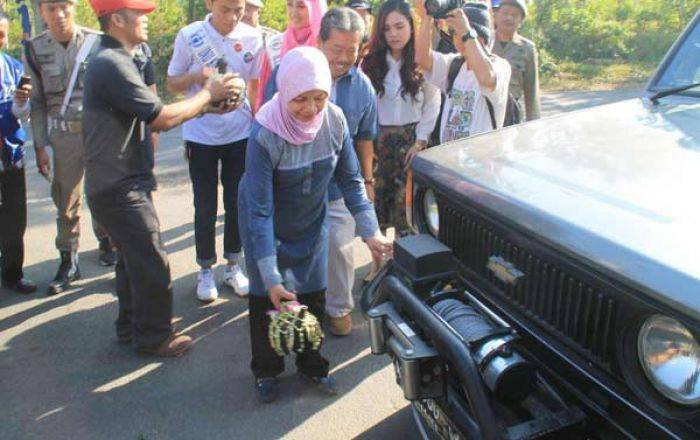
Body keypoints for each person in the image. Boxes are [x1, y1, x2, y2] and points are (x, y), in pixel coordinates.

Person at [83, 0, 242, 357]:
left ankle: (130, 326)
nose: (146, 19)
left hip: (117, 181)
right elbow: (161, 117)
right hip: (118, 185)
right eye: (139, 13)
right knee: (152, 260)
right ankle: (154, 336)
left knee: (132, 260)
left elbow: (155, 113)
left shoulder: (120, 58)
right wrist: (207, 94)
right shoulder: (111, 63)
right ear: (117, 19)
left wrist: (208, 104)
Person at [239, 46, 391, 402]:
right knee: (268, 303)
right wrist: (271, 276)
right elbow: (259, 212)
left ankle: (312, 365)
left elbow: (352, 182)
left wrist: (370, 232)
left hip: (311, 223)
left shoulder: (335, 120)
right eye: (300, 99)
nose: (310, 109)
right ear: (284, 91)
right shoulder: (264, 134)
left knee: (311, 299)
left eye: (319, 97)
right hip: (266, 228)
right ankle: (267, 370)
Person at [263, 8, 378, 336]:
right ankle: (290, 311)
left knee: (341, 248)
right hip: (294, 185)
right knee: (293, 251)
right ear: (320, 42)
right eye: (337, 49)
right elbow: (267, 124)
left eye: (352, 50)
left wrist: (367, 180)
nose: (344, 58)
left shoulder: (362, 87)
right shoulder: (288, 69)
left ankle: (339, 307)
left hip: (339, 186)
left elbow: (366, 136)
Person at [167, 0, 262, 302]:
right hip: (201, 134)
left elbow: (257, 84)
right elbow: (171, 82)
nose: (233, 16)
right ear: (209, 3)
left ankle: (233, 265)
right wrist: (197, 78)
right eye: (225, 8)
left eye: (239, 9)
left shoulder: (252, 37)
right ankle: (205, 269)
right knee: (205, 205)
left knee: (237, 202)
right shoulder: (190, 35)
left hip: (240, 133)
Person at [23, 0, 116, 296]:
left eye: (65, 6)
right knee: (65, 200)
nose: (59, 14)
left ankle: (107, 242)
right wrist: (39, 146)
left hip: (98, 133)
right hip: (63, 138)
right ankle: (68, 259)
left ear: (75, 7)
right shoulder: (34, 49)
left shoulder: (97, 41)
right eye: (51, 8)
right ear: (42, 12)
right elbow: (36, 103)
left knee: (102, 191)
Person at [363, 0, 440, 236]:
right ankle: (378, 263)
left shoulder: (423, 61)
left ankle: (403, 260)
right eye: (387, 28)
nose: (393, 34)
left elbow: (432, 102)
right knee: (377, 205)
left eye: (399, 26)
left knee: (405, 206)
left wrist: (421, 140)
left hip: (411, 141)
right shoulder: (370, 63)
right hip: (378, 142)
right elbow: (364, 106)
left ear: (411, 25)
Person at [415, 1, 511, 143]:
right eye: (454, 32)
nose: (457, 38)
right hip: (450, 162)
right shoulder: (455, 65)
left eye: (460, 31)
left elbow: (487, 78)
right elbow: (422, 59)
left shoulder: (500, 66)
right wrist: (428, 16)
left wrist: (466, 31)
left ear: (480, 36)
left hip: (481, 162)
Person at [0, 12, 37, 294]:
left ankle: (13, 274)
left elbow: (21, 116)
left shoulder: (13, 68)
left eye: (1, 34)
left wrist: (21, 102)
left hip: (11, 155)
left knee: (15, 219)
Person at [255, 0, 327, 110]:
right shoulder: (275, 45)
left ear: (315, 9)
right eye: (289, 4)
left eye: (301, 6)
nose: (293, 12)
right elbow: (265, 91)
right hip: (277, 120)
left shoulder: (326, 46)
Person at [493, 0, 540, 121]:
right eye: (505, 13)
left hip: (511, 114)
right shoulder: (483, 43)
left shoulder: (527, 48)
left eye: (514, 15)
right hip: (485, 111)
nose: (509, 18)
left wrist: (533, 125)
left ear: (521, 21)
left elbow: (531, 90)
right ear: (496, 15)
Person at [346, 0, 372, 65]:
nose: (359, 25)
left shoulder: (377, 48)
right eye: (355, 19)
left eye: (363, 18)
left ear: (370, 20)